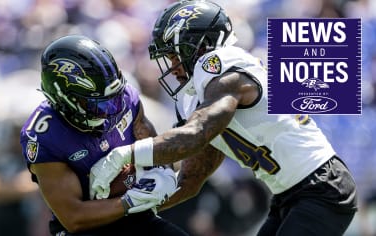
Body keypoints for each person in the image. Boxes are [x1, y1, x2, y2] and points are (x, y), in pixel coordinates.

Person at [88, 1, 358, 235]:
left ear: (199, 44)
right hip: (289, 194)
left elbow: (196, 133)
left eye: (174, 55)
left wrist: (126, 154)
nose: (172, 66)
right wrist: (126, 209)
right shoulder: (195, 97)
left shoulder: (223, 65)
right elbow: (190, 180)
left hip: (321, 186)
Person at [19, 35, 188, 236]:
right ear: (66, 98)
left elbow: (153, 147)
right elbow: (74, 217)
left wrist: (163, 174)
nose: (110, 110)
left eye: (113, 100)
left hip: (136, 217)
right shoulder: (45, 135)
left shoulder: (124, 97)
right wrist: (133, 199)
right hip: (87, 228)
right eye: (99, 103)